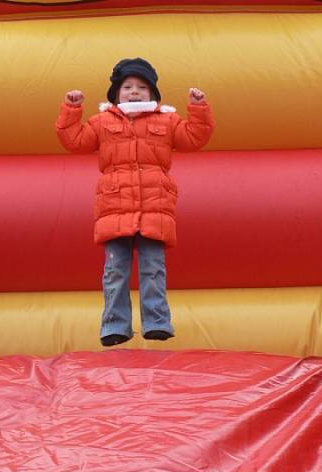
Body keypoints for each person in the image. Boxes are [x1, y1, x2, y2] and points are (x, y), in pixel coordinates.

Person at [56, 57, 214, 347]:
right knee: (115, 270)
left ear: (153, 93)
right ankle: (115, 325)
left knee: (153, 268)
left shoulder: (166, 120)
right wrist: (72, 109)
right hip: (115, 208)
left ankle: (157, 322)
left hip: (154, 207)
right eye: (127, 87)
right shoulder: (103, 122)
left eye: (142, 87)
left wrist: (198, 108)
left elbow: (194, 137)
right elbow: (75, 141)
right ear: (116, 93)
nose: (134, 92)